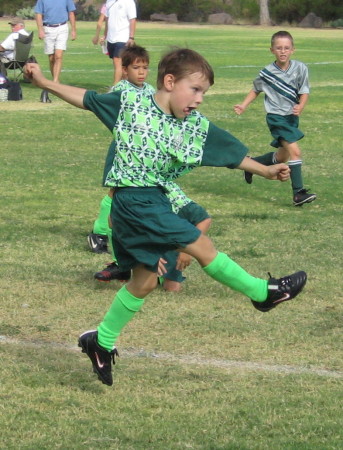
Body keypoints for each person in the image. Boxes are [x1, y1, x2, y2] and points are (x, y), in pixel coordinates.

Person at [25, 48, 308, 387]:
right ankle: (263, 292)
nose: (200, 99)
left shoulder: (191, 125)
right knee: (200, 243)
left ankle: (100, 341)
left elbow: (228, 151)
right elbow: (86, 98)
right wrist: (43, 81)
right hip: (134, 200)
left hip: (153, 199)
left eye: (204, 92)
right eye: (196, 89)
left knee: (144, 282)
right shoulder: (130, 105)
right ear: (170, 82)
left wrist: (263, 170)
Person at [89, 45, 208, 292]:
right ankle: (102, 238)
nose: (141, 72)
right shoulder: (121, 91)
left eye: (145, 68)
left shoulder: (153, 92)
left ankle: (141, 259)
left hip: (150, 165)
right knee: (115, 198)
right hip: (128, 155)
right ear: (124, 71)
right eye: (136, 68)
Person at [234, 30, 316, 207]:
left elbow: (304, 90)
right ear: (272, 50)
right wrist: (243, 105)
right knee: (296, 152)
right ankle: (298, 194)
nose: (283, 51)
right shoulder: (267, 73)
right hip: (276, 118)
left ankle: (251, 164)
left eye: (287, 48)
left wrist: (301, 106)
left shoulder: (301, 68)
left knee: (282, 157)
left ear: (293, 49)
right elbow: (256, 89)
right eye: (279, 48)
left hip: (291, 118)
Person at [34, 0, 77, 102]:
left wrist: (74, 30)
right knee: (52, 58)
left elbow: (71, 13)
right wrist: (40, 29)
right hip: (48, 28)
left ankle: (55, 81)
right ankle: (55, 81)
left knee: (58, 55)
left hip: (62, 27)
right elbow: (38, 14)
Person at [104, 0, 137, 89]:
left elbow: (132, 20)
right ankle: (128, 86)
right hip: (111, 38)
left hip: (122, 38)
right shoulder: (109, 1)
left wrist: (131, 37)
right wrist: (105, 35)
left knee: (117, 61)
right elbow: (107, 20)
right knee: (120, 65)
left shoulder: (129, 2)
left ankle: (115, 87)